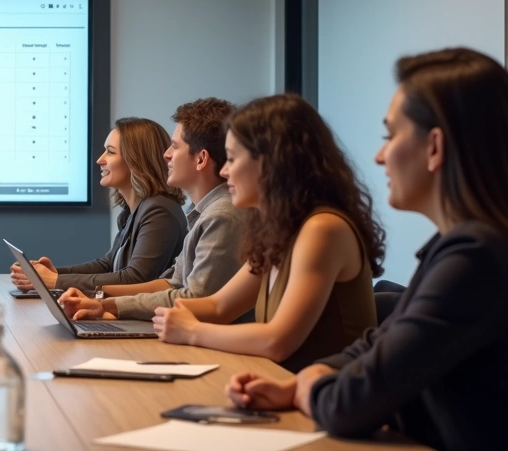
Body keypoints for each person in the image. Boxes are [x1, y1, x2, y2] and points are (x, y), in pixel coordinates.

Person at [226, 48, 508, 451]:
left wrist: (310, 388)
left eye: (390, 135)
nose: (380, 155)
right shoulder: (460, 247)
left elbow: (352, 405)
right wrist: (305, 380)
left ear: (435, 147)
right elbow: (381, 341)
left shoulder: (477, 257)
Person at [149, 94, 383, 371]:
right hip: (284, 383)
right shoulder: (279, 231)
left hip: (325, 393)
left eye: (232, 158)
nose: (224, 171)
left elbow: (277, 341)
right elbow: (219, 307)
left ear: (271, 163)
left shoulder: (322, 229)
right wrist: (125, 309)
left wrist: (190, 331)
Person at [59, 98, 246, 322]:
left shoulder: (221, 215)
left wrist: (107, 304)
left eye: (175, 146)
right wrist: (100, 298)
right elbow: (171, 283)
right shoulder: (202, 212)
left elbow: (195, 297)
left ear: (201, 159)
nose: (166, 154)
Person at [10, 117, 187, 294]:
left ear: (136, 159)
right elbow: (107, 265)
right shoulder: (136, 210)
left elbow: (135, 278)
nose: (100, 160)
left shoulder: (159, 211)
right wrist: (54, 274)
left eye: (110, 152)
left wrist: (56, 281)